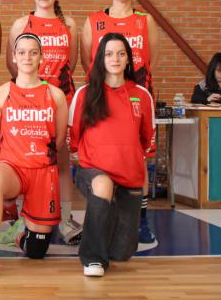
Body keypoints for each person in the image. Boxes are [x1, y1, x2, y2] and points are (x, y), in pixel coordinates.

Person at [0, 33, 68, 278]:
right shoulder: (1, 94)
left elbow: (58, 140)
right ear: (14, 58)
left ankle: (19, 230)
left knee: (36, 251)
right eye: (22, 52)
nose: (27, 57)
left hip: (42, 171)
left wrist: (37, 158)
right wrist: (9, 156)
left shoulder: (55, 95)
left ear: (41, 57)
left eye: (33, 52)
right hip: (12, 168)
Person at [80, 0, 159, 244]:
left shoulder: (145, 20)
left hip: (135, 94)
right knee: (104, 157)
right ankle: (105, 216)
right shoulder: (93, 21)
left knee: (140, 156)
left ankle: (142, 219)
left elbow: (151, 60)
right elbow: (86, 60)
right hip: (104, 96)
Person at [69, 33, 155, 277]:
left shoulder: (142, 95)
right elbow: (73, 139)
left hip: (129, 176)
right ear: (100, 59)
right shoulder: (86, 94)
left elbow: (146, 140)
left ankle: (106, 229)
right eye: (108, 54)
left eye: (120, 53)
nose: (114, 59)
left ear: (128, 59)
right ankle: (92, 258)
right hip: (93, 173)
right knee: (103, 184)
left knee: (122, 252)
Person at [7, 0, 81, 245]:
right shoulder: (21, 23)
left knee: (62, 160)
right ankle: (24, 219)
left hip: (61, 99)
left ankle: (65, 219)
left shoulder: (69, 24)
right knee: (27, 159)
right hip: (29, 101)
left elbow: (71, 64)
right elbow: (11, 63)